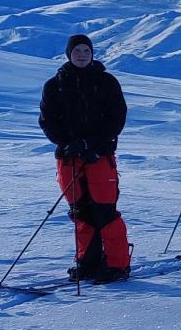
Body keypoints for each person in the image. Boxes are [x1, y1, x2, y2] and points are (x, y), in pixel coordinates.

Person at [37, 34, 131, 283]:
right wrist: (67, 144)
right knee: (80, 212)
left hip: (99, 156)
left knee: (105, 211)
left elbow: (117, 118)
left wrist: (91, 144)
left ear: (92, 54)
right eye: (77, 51)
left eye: (86, 51)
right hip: (68, 157)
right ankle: (87, 262)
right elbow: (47, 120)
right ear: (69, 54)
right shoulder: (54, 85)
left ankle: (117, 265)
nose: (82, 55)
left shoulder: (106, 82)